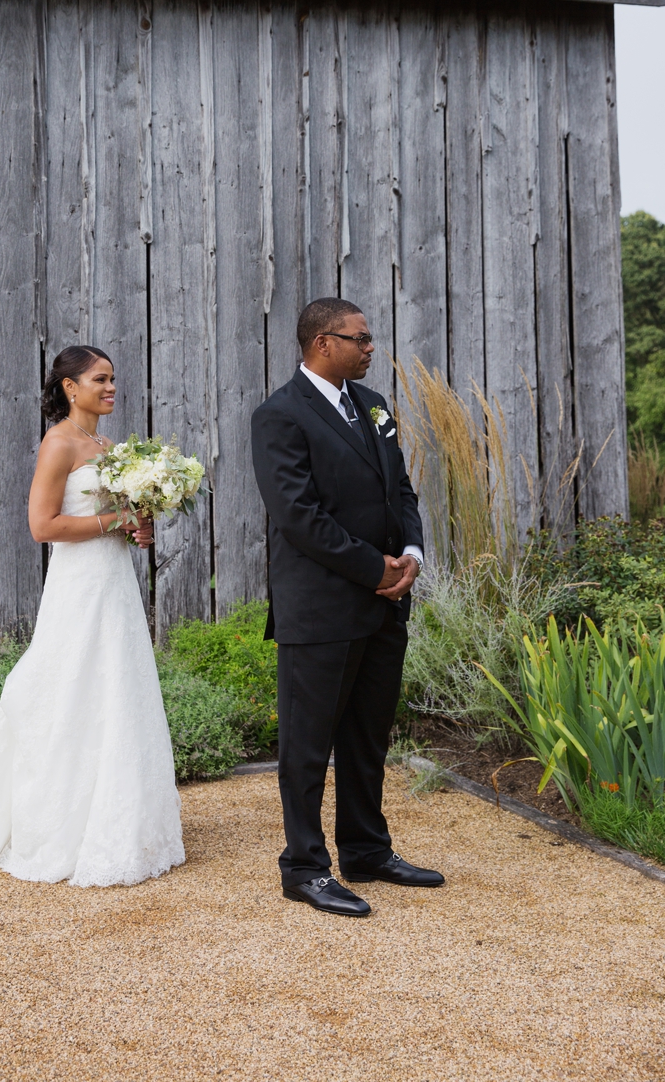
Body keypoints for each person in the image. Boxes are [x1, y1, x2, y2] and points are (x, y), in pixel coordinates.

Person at [0, 345, 184, 887]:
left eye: (113, 379)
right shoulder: (59, 443)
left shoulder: (107, 445)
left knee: (116, 688)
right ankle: (54, 821)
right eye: (100, 380)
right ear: (70, 387)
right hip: (78, 586)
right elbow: (43, 526)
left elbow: (115, 518)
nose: (110, 388)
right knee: (68, 683)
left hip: (115, 584)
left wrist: (137, 528)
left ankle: (121, 820)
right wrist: (116, 517)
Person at [251, 298, 445, 917]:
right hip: (322, 609)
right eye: (359, 339)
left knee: (367, 738)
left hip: (386, 605)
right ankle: (304, 867)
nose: (369, 348)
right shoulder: (279, 415)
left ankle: (365, 849)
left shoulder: (373, 406)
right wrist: (374, 568)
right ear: (321, 344)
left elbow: (401, 488)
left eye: (368, 338)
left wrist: (410, 552)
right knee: (307, 746)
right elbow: (298, 517)